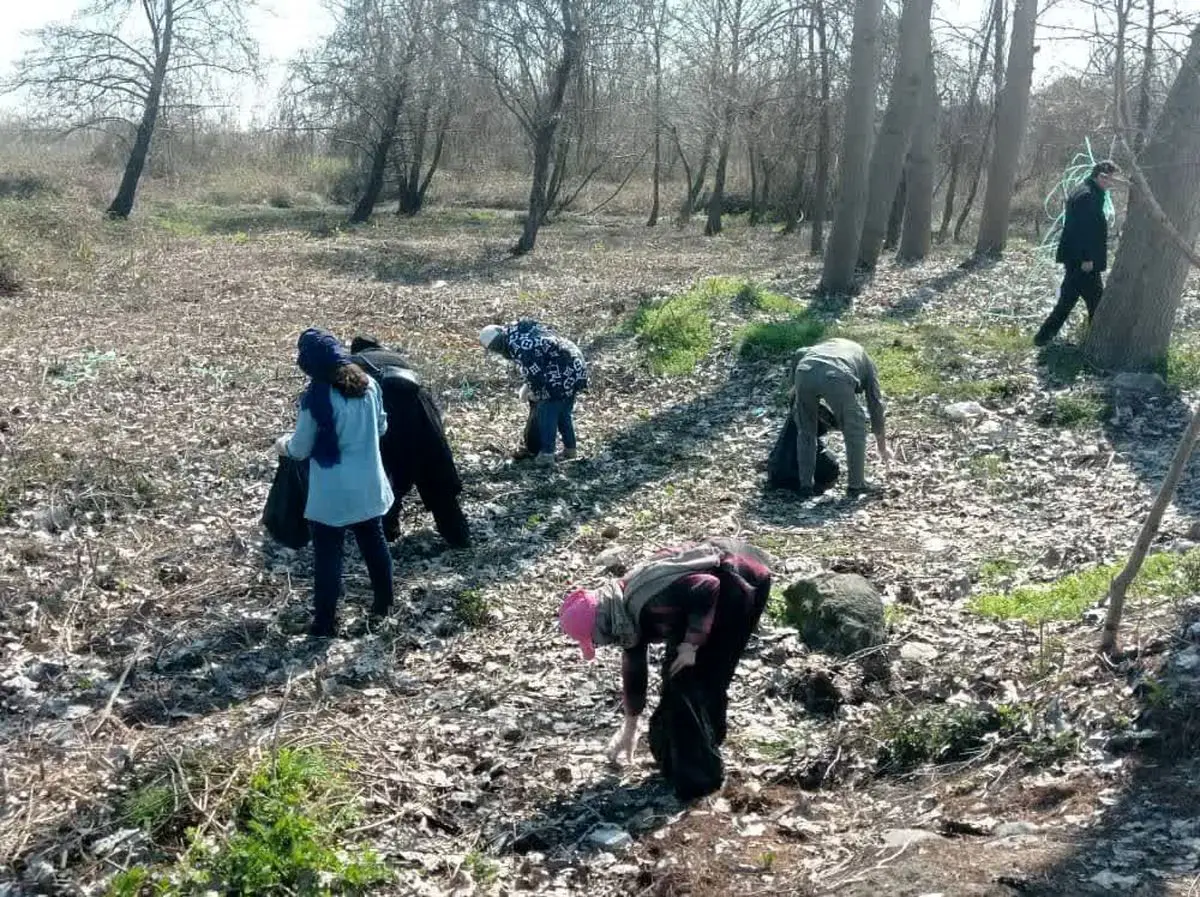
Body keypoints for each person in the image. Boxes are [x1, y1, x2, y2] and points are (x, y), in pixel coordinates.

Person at [559, 539, 772, 796]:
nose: (599, 644)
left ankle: (701, 777)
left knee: (699, 679)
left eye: (595, 639)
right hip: (696, 603)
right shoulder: (621, 613)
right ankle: (681, 758)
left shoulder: (651, 601)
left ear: (602, 624)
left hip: (740, 581)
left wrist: (691, 645)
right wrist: (630, 726)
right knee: (676, 676)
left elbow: (707, 586)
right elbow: (635, 664)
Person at [274, 329, 395, 638]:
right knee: (374, 543)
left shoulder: (316, 398)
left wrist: (282, 444)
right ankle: (383, 604)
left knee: (328, 556)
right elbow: (381, 427)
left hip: (332, 494)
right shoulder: (370, 386)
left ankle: (324, 624)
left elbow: (300, 448)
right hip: (369, 485)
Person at [349, 336, 470, 549]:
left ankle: (387, 531)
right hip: (422, 413)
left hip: (388, 419)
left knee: (389, 477)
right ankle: (458, 535)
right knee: (436, 475)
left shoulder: (355, 364)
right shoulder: (396, 358)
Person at [479, 320, 588, 465]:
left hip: (561, 372)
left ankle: (547, 455)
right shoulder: (520, 329)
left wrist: (533, 390)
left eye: (497, 348)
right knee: (563, 413)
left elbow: (535, 373)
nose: (499, 351)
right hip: (576, 365)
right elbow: (539, 360)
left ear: (500, 342)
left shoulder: (518, 345)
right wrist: (529, 386)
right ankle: (570, 450)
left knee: (546, 412)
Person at [1034, 160, 1119, 346]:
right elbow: (1083, 231)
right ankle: (1097, 343)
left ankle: (1043, 337)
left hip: (1076, 258)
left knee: (1068, 300)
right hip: (1082, 260)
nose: (1109, 182)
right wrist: (1087, 258)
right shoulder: (1088, 196)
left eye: (1111, 179)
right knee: (1096, 302)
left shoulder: (1087, 190)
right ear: (1098, 175)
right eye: (1106, 178)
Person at [791, 337, 890, 497]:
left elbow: (799, 353)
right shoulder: (866, 362)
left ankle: (806, 486)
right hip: (836, 375)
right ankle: (856, 486)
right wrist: (882, 447)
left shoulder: (819, 348)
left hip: (804, 371)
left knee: (806, 430)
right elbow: (875, 405)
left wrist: (794, 393)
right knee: (855, 427)